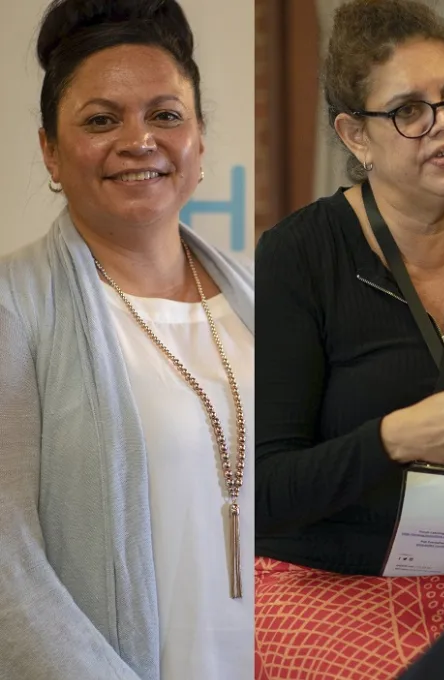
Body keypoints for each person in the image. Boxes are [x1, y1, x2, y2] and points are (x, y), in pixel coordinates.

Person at [253, 0, 444, 676]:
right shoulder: (300, 256)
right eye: (408, 111)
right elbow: (265, 493)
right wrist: (395, 439)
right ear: (355, 136)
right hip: (333, 590)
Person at [0, 0, 254, 678]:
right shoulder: (13, 308)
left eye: (166, 115)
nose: (139, 139)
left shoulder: (267, 302)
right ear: (50, 151)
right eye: (101, 120)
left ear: (199, 144)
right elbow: (7, 569)